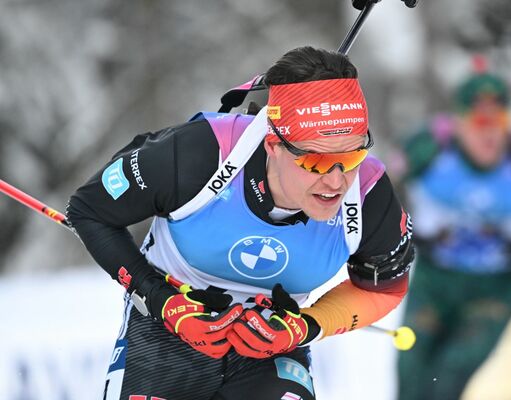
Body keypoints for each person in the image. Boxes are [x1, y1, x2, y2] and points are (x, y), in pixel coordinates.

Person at [66, 46, 414, 400]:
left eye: (352, 155)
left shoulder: (368, 194)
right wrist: (162, 300)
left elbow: (383, 287)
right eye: (317, 162)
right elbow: (88, 210)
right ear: (274, 145)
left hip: (271, 343)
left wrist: (306, 326)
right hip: (166, 329)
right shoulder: (197, 154)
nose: (337, 181)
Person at [394, 60, 511, 400]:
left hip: (495, 287)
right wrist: (413, 235)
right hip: (436, 280)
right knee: (411, 371)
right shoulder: (429, 148)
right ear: (459, 121)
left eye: (500, 120)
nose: (490, 132)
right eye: (479, 121)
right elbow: (381, 190)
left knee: (451, 373)